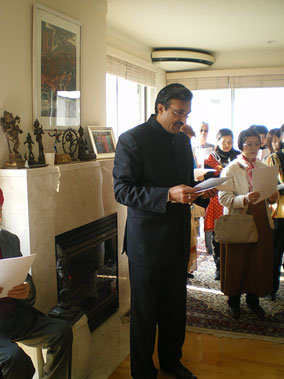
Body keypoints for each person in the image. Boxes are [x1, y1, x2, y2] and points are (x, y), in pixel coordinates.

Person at [113, 83, 217, 379]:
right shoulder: (132, 139)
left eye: (187, 113)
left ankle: (172, 363)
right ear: (160, 108)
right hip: (146, 243)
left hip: (178, 239)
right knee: (145, 315)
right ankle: (143, 372)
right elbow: (122, 191)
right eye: (178, 112)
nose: (183, 119)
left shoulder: (183, 142)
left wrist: (199, 193)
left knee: (175, 310)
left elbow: (183, 185)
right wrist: (167, 195)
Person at [0, 189, 73, 379]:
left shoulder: (9, 240)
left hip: (16, 318)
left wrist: (27, 289)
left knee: (62, 332)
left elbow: (26, 278)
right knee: (15, 358)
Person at [218, 128, 278, 319]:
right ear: (241, 145)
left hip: (261, 218)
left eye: (256, 143)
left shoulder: (263, 167)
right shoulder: (231, 168)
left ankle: (253, 300)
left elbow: (269, 196)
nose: (253, 147)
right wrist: (244, 198)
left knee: (258, 260)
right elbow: (224, 198)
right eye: (248, 144)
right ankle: (233, 301)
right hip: (239, 218)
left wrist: (272, 196)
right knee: (238, 260)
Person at [203, 128, 240, 280]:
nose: (227, 145)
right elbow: (208, 179)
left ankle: (234, 265)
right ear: (217, 142)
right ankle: (219, 266)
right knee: (217, 235)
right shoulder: (211, 158)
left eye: (230, 142)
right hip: (217, 199)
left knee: (235, 232)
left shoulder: (238, 156)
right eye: (223, 142)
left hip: (235, 196)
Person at [265, 137, 284, 300]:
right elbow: (268, 186)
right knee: (276, 252)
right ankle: (271, 287)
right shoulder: (274, 158)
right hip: (279, 211)